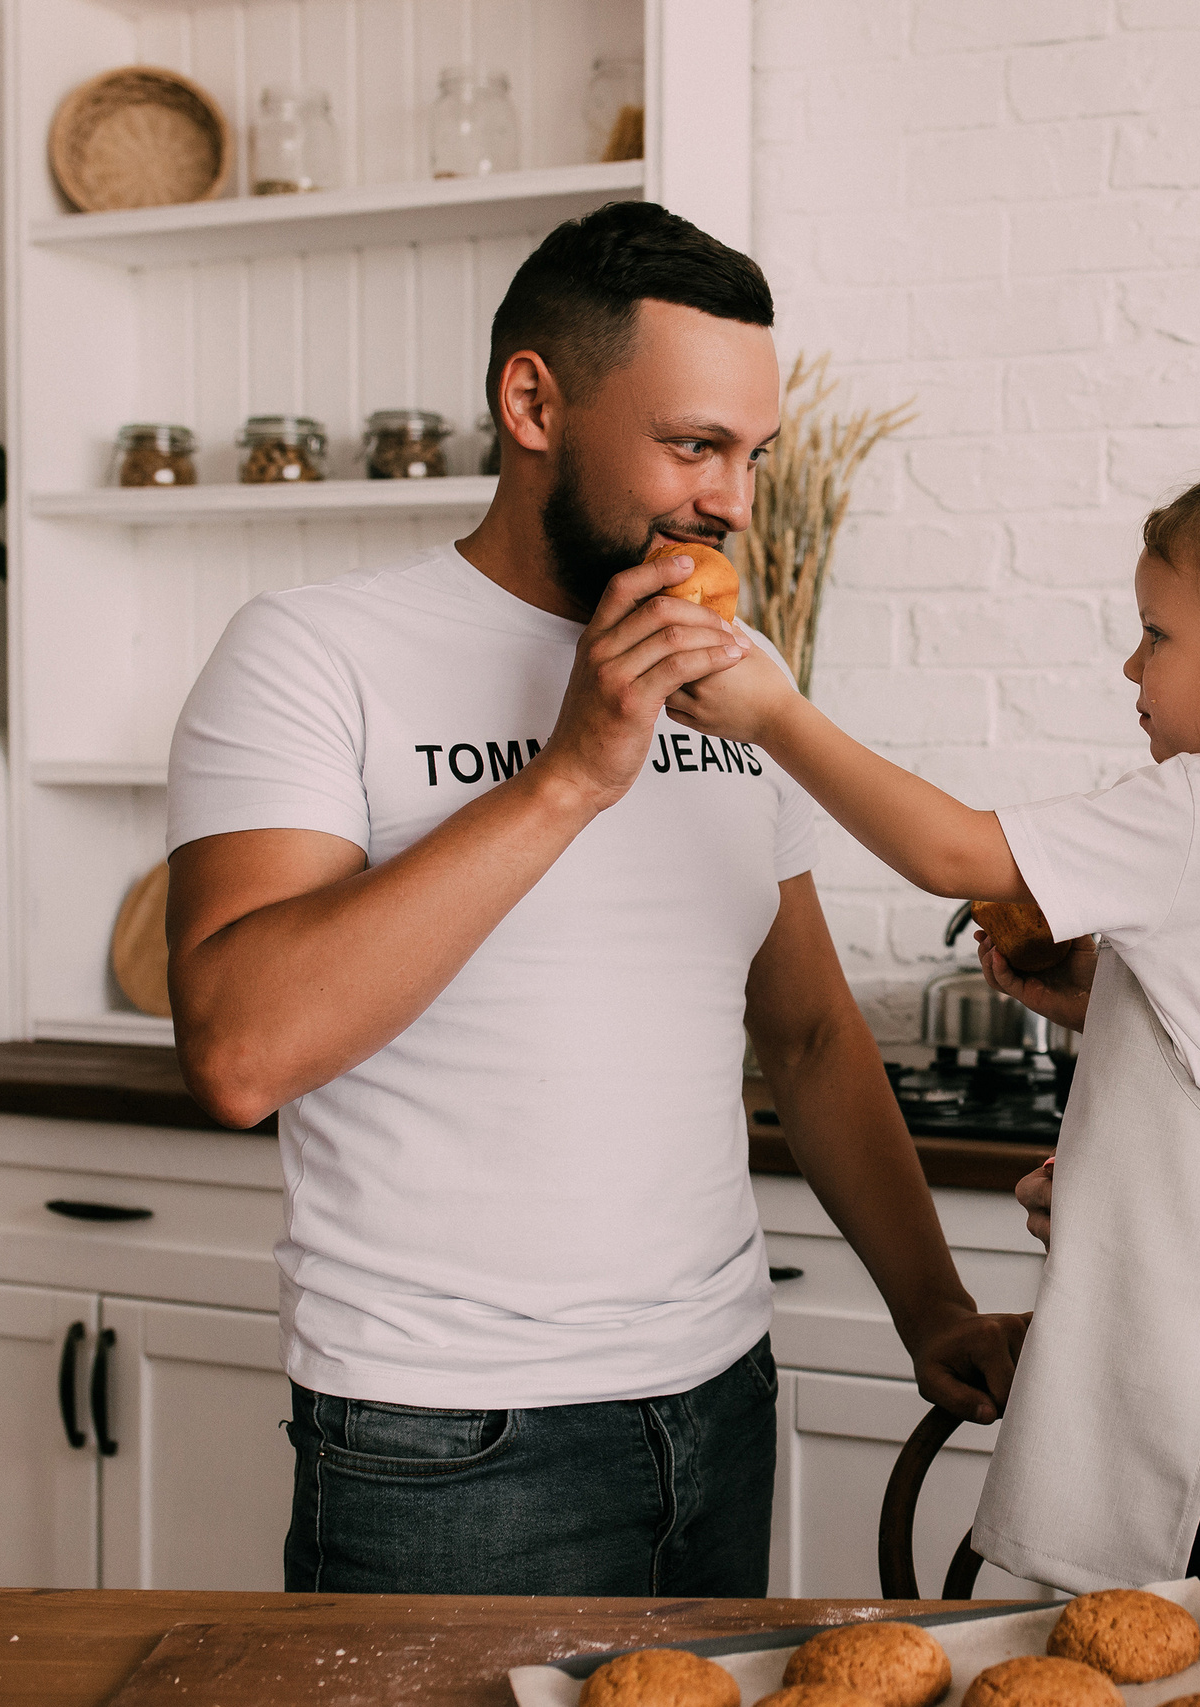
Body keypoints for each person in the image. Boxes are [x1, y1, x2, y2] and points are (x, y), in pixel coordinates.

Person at [163, 200, 1021, 1598]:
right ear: (532, 401)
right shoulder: (313, 653)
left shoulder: (733, 679)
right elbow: (240, 1051)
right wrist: (567, 774)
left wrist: (929, 1304)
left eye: (754, 454)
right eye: (694, 445)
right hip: (446, 1441)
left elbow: (805, 1035)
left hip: (721, 1402)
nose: (734, 500)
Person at [668, 423, 1200, 1597]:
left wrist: (779, 717)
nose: (1131, 670)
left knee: (1183, 1654)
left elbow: (954, 852)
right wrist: (1102, 1002)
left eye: (1155, 635)